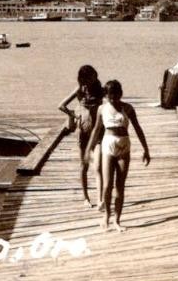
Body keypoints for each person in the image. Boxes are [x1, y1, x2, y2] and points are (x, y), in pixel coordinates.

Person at [85, 79, 149, 231]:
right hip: (108, 145)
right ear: (106, 96)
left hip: (124, 146)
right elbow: (96, 130)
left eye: (116, 95)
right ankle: (106, 216)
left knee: (120, 187)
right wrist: (89, 149)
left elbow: (138, 128)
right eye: (110, 96)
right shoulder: (102, 108)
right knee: (107, 186)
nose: (113, 99)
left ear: (121, 94)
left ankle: (117, 220)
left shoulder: (128, 108)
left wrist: (146, 149)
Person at [58, 65, 104, 207]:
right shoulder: (80, 91)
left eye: (92, 76)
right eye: (87, 78)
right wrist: (74, 115)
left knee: (98, 166)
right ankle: (86, 198)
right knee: (83, 166)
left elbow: (112, 104)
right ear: (82, 79)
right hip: (83, 132)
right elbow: (61, 105)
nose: (91, 80)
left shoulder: (101, 91)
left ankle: (100, 199)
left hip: (98, 133)